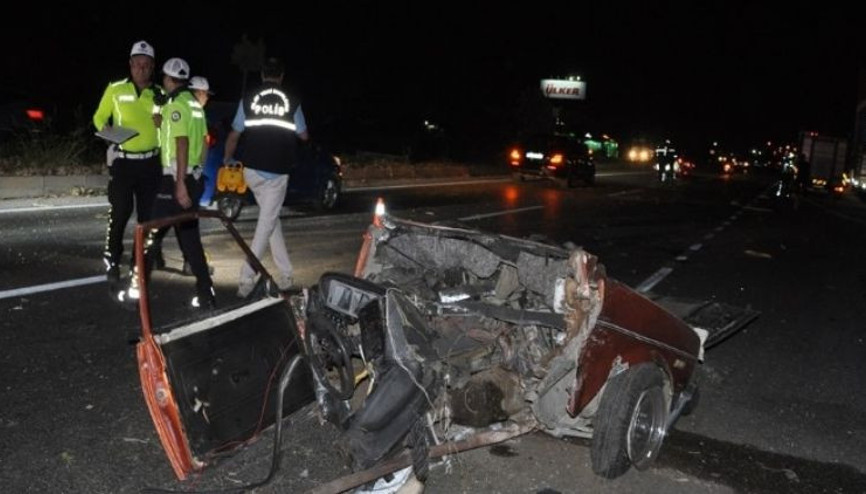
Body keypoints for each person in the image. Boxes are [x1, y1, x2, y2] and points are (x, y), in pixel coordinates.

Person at [119, 57, 216, 310]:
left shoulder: (176, 105)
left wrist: (180, 183)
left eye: (164, 77)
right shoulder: (194, 105)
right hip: (192, 179)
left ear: (169, 79)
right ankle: (206, 294)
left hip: (174, 179)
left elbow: (181, 143)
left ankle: (135, 292)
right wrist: (194, 178)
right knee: (190, 239)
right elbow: (202, 143)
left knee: (149, 235)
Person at [223, 57, 308, 297]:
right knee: (266, 224)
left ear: (262, 75)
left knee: (271, 220)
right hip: (277, 172)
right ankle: (246, 278)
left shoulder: (248, 99)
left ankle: (286, 273)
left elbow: (234, 134)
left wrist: (227, 160)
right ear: (281, 76)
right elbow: (303, 135)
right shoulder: (292, 100)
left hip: (251, 170)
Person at [92, 40, 163, 298]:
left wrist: (162, 121)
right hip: (123, 162)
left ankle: (139, 265)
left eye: (146, 65)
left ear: (152, 67)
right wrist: (111, 135)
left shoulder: (160, 95)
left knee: (147, 220)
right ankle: (112, 259)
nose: (142, 69)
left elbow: (169, 127)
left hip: (151, 164)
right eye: (137, 65)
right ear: (131, 65)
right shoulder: (115, 89)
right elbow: (99, 118)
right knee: (120, 211)